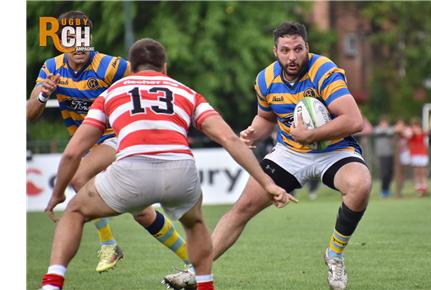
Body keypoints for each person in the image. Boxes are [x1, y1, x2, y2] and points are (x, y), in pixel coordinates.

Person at [39, 38, 295, 290]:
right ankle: (206, 286)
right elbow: (229, 139)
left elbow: (73, 153)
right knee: (195, 224)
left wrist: (58, 193)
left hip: (131, 170)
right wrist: (267, 183)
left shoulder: (111, 93)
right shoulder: (186, 92)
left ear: (132, 66)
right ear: (164, 67)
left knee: (74, 212)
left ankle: (52, 284)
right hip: (180, 170)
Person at [163, 21, 371, 290]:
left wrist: (311, 135)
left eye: (298, 49)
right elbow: (266, 117)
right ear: (275, 51)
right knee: (242, 208)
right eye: (285, 50)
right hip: (290, 153)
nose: (292, 56)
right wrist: (253, 132)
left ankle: (334, 255)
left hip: (334, 150)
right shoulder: (265, 79)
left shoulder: (324, 71)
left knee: (361, 184)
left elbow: (354, 120)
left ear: (307, 47)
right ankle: (195, 272)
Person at [27, 11, 191, 273]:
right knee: (143, 213)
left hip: (116, 139)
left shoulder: (109, 66)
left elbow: (153, 77)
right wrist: (44, 95)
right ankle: (193, 262)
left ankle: (109, 245)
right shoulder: (51, 68)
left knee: (78, 177)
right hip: (88, 146)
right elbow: (28, 114)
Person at [373, 115, 395, 198]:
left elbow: (391, 130)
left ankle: (387, 190)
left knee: (390, 173)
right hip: (382, 155)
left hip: (390, 154)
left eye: (386, 123)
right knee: (384, 173)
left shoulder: (389, 130)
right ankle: (383, 191)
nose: (385, 124)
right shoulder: (377, 129)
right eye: (383, 123)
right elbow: (380, 131)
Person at [406, 118, 429, 196]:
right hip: (414, 154)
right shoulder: (410, 132)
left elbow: (426, 132)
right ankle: (418, 187)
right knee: (416, 171)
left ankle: (424, 187)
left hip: (422, 154)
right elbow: (408, 136)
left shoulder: (422, 132)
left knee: (423, 171)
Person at [393, 118, 411, 198]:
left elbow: (409, 134)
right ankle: (398, 191)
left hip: (405, 154)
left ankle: (401, 190)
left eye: (402, 124)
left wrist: (402, 131)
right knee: (397, 173)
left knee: (402, 173)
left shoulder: (406, 131)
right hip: (396, 155)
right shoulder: (394, 132)